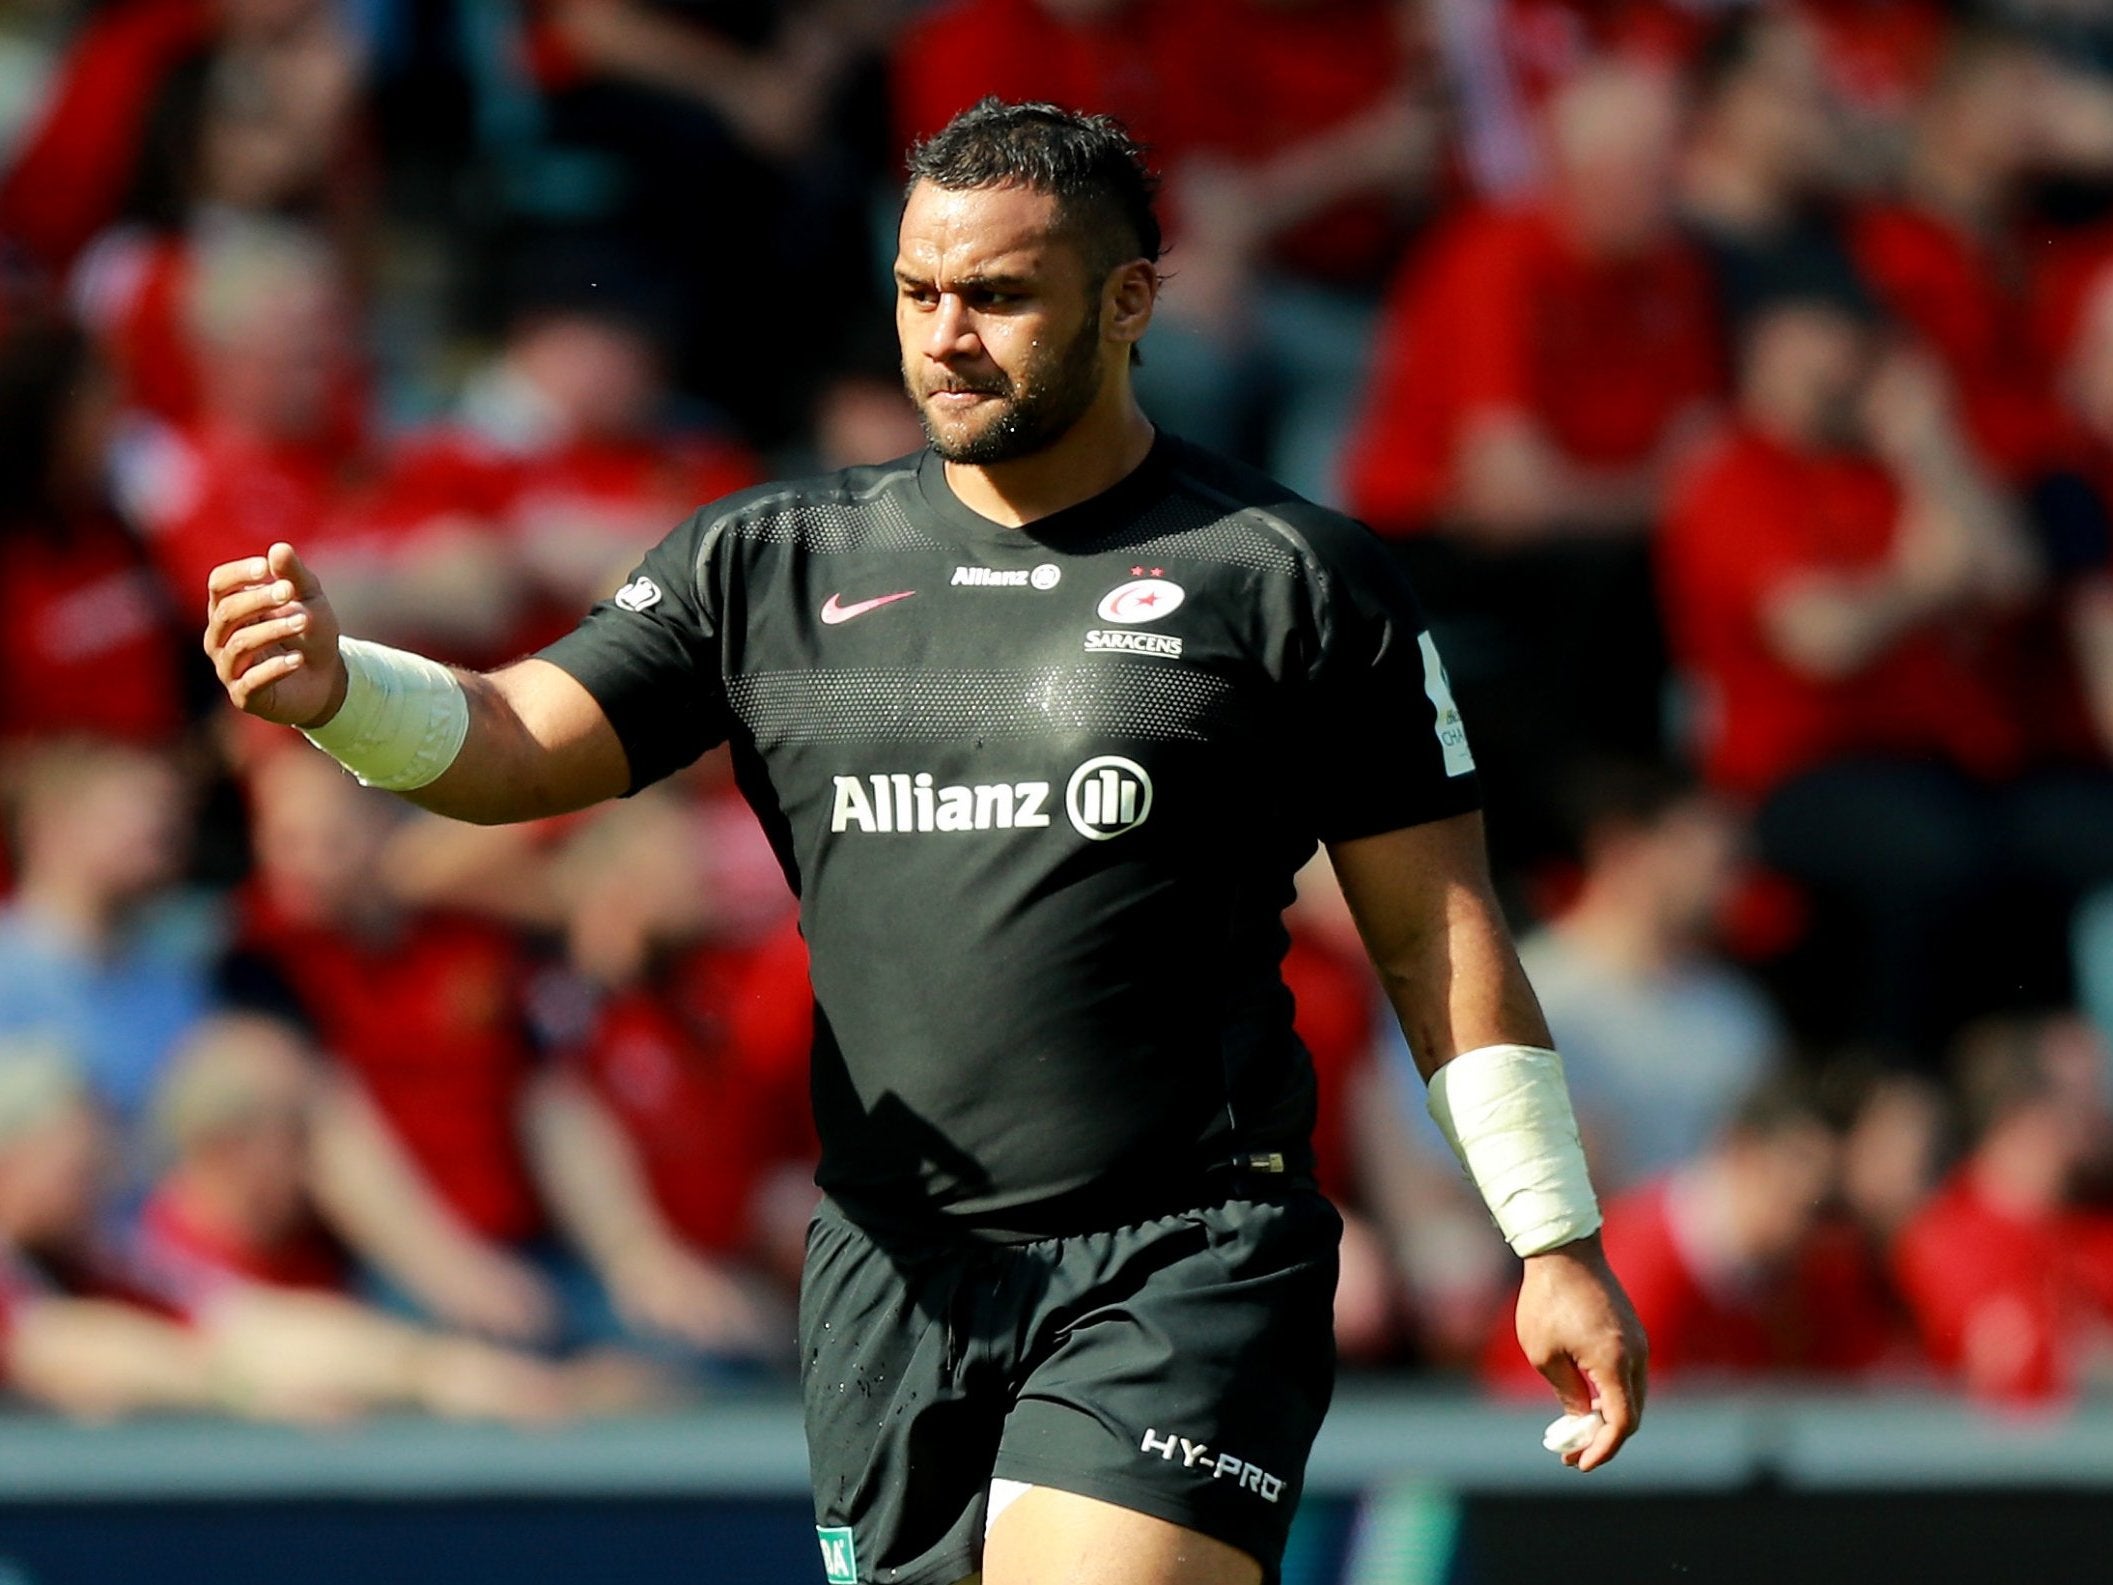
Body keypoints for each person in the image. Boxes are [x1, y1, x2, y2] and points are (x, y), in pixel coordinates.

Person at [202, 100, 1645, 1585]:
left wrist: (1551, 1237)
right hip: (891, 1276)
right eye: (917, 291)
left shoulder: (1287, 578)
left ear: (1129, 300)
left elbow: (1436, 929)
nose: (945, 334)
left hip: (1182, 1259)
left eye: (999, 295)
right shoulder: (766, 563)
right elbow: (513, 743)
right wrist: (338, 691)